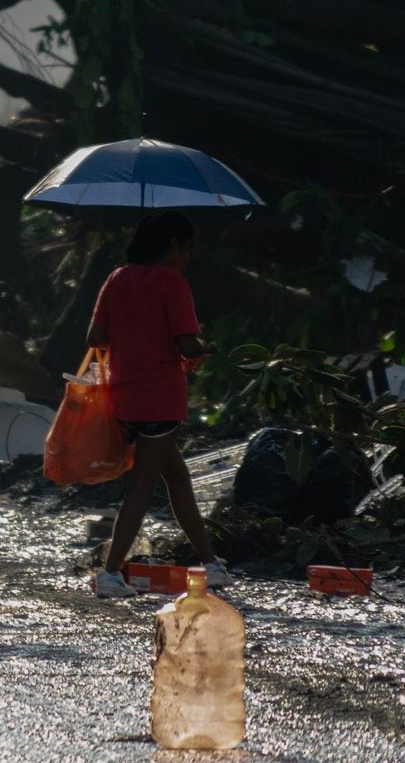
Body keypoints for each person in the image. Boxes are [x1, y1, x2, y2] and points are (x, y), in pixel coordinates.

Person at [84, 210, 233, 597]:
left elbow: (95, 336)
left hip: (125, 397)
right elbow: (187, 342)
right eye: (187, 248)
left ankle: (210, 563)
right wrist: (203, 347)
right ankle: (110, 572)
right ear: (172, 246)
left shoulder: (117, 278)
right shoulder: (173, 282)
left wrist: (134, 337)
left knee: (178, 479)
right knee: (142, 486)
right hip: (160, 399)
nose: (188, 257)